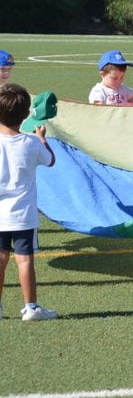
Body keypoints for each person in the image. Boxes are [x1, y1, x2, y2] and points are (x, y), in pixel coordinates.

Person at [0, 83, 59, 322]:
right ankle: (31, 307)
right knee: (24, 260)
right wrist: (42, 139)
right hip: (23, 215)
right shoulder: (31, 143)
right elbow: (51, 161)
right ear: (25, 115)